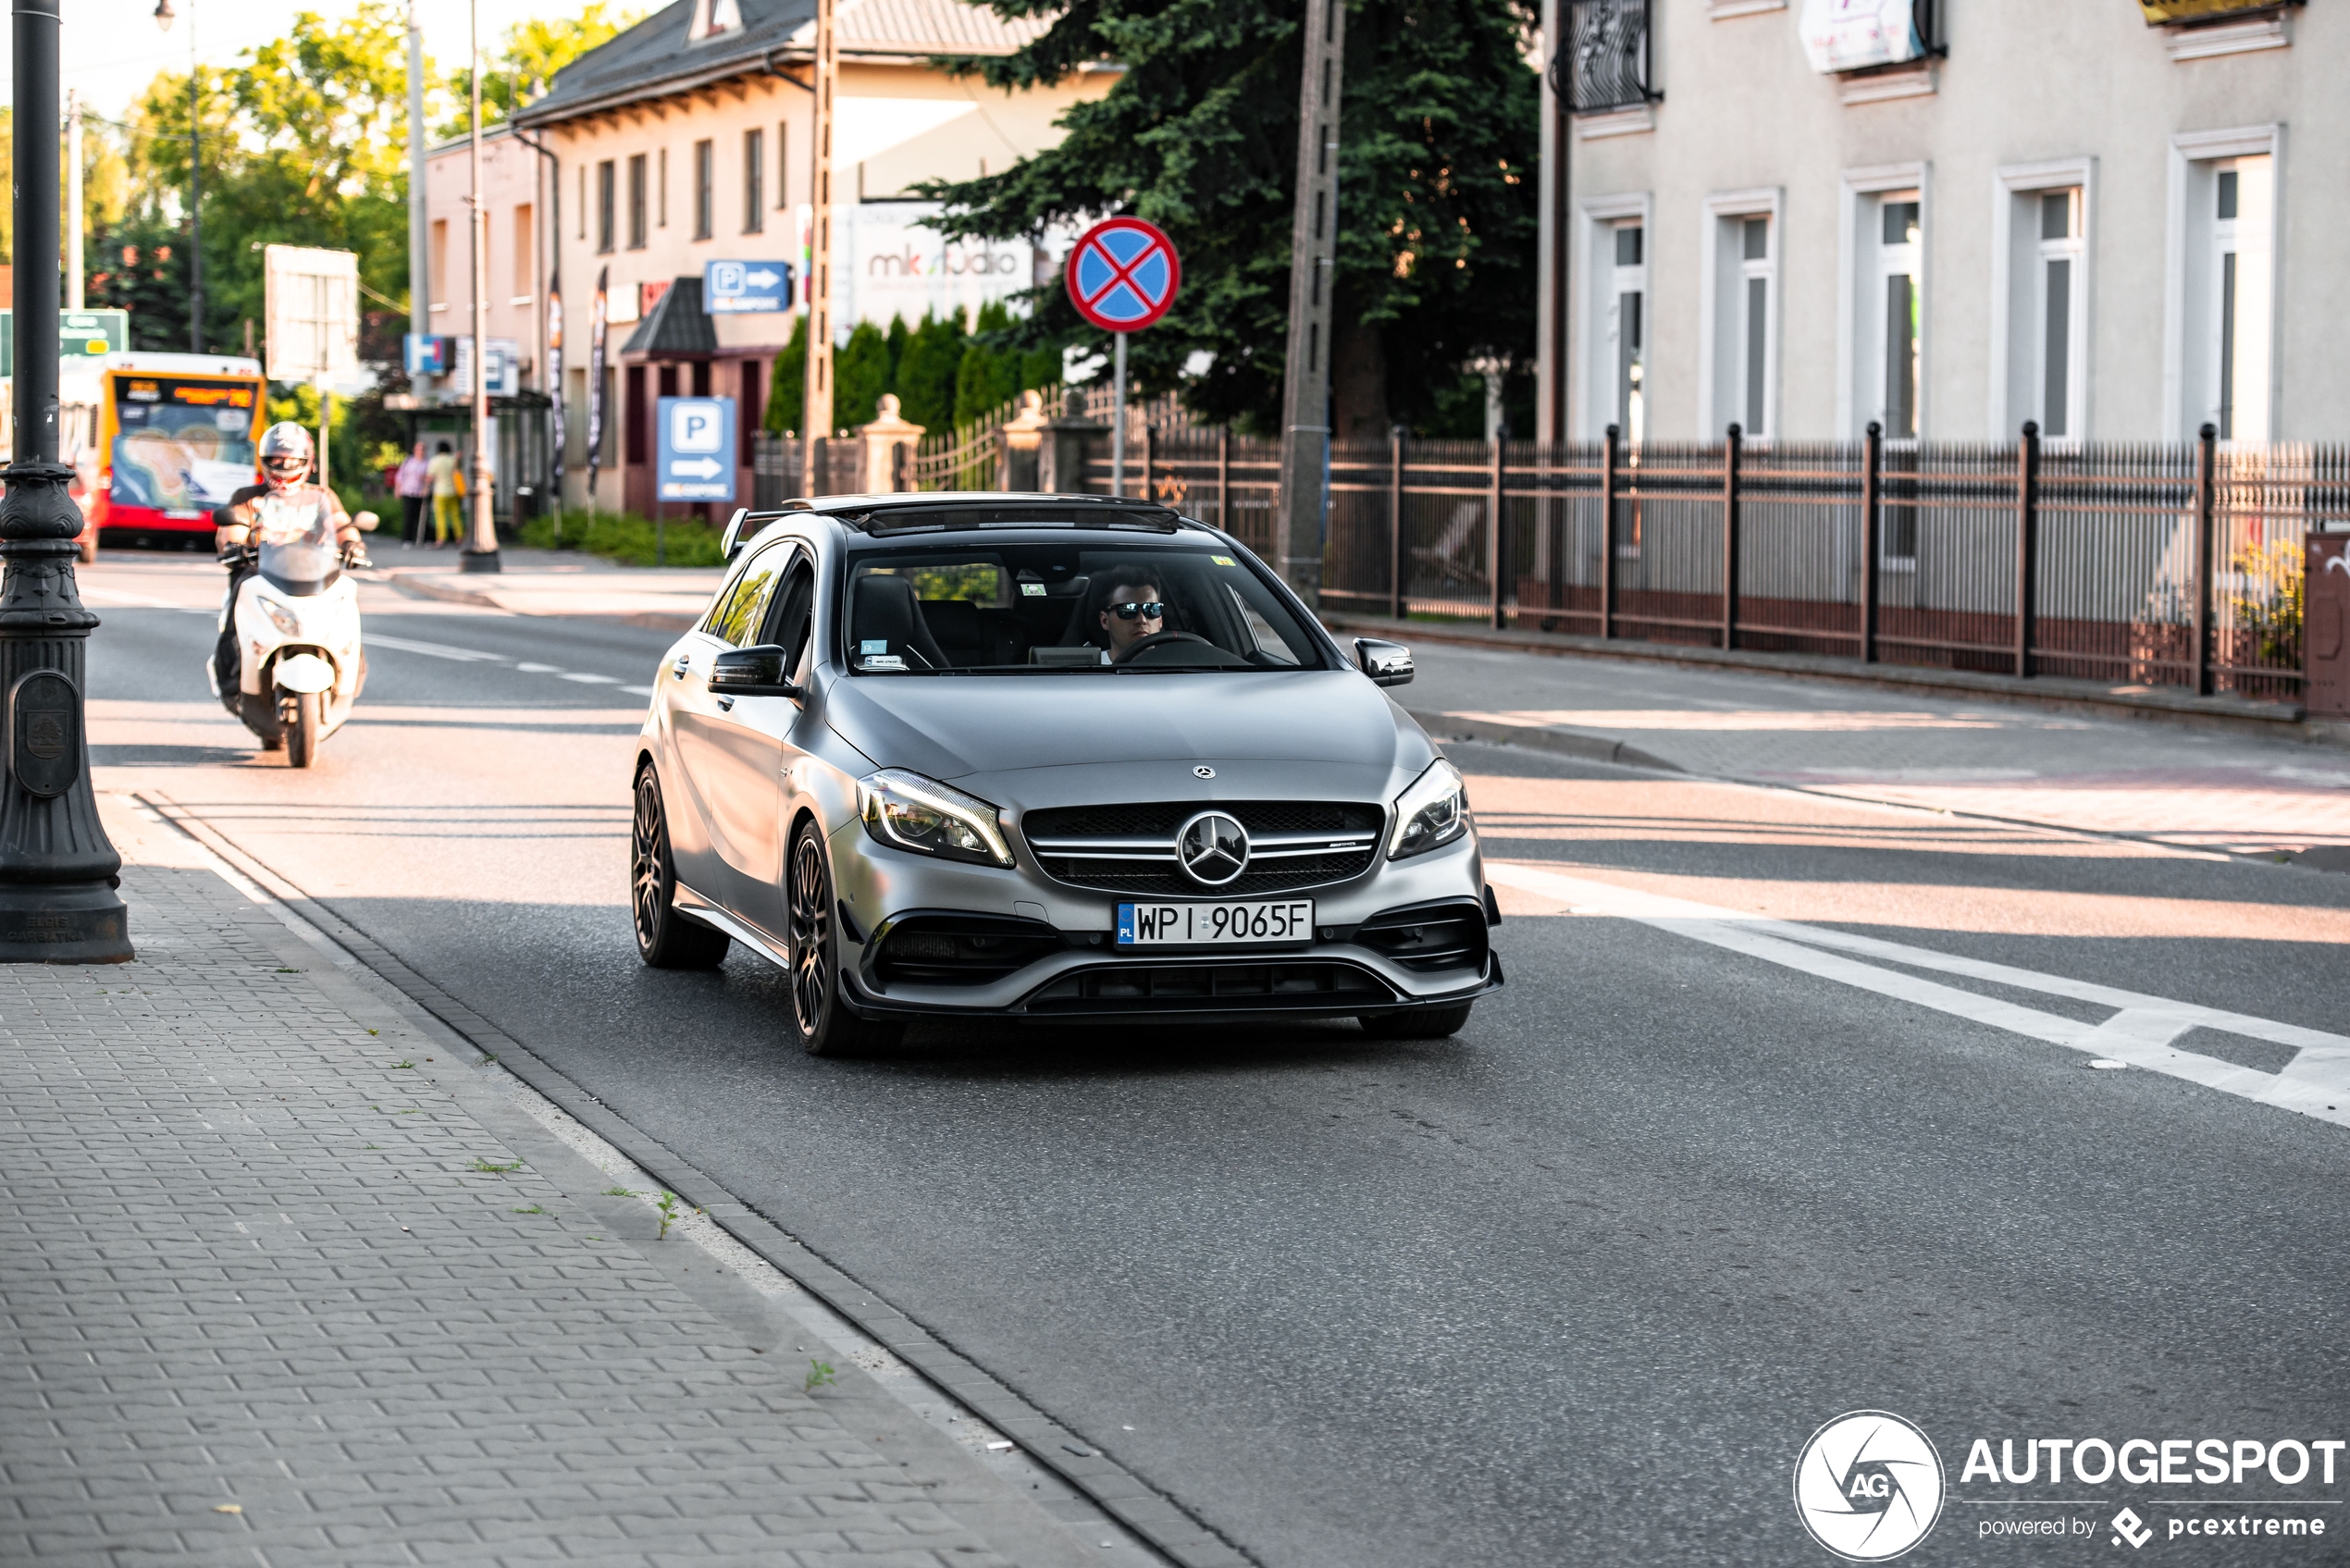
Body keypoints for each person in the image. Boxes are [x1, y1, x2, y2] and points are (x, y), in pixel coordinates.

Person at [212, 423, 368, 716]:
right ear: (264, 460)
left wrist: (353, 545)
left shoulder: (322, 496)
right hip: (260, 574)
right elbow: (230, 530)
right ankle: (232, 679)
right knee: (235, 617)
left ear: (307, 461)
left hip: (315, 576)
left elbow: (343, 526)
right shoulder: (248, 497)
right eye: (276, 459)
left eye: (292, 459)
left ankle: (348, 672)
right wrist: (234, 545)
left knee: (346, 611)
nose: (284, 466)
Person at [1095, 567, 1169, 662]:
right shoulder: (1086, 671)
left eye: (1151, 609)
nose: (1142, 620)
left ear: (1160, 620)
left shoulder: (1179, 668)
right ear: (1105, 621)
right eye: (1128, 610)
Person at [425, 439, 464, 548]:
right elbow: (457, 473)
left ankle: (441, 539)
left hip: (440, 492)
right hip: (453, 492)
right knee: (455, 516)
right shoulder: (452, 460)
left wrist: (425, 487)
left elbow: (430, 478)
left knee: (440, 517)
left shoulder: (435, 461)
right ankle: (459, 538)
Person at [394, 439, 430, 545]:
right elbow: (400, 476)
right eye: (418, 449)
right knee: (408, 515)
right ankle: (407, 538)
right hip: (408, 491)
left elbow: (430, 478)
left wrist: (425, 480)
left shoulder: (427, 463)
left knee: (421, 516)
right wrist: (398, 489)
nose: (420, 451)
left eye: (422, 449)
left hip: (420, 492)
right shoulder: (408, 461)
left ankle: (423, 538)